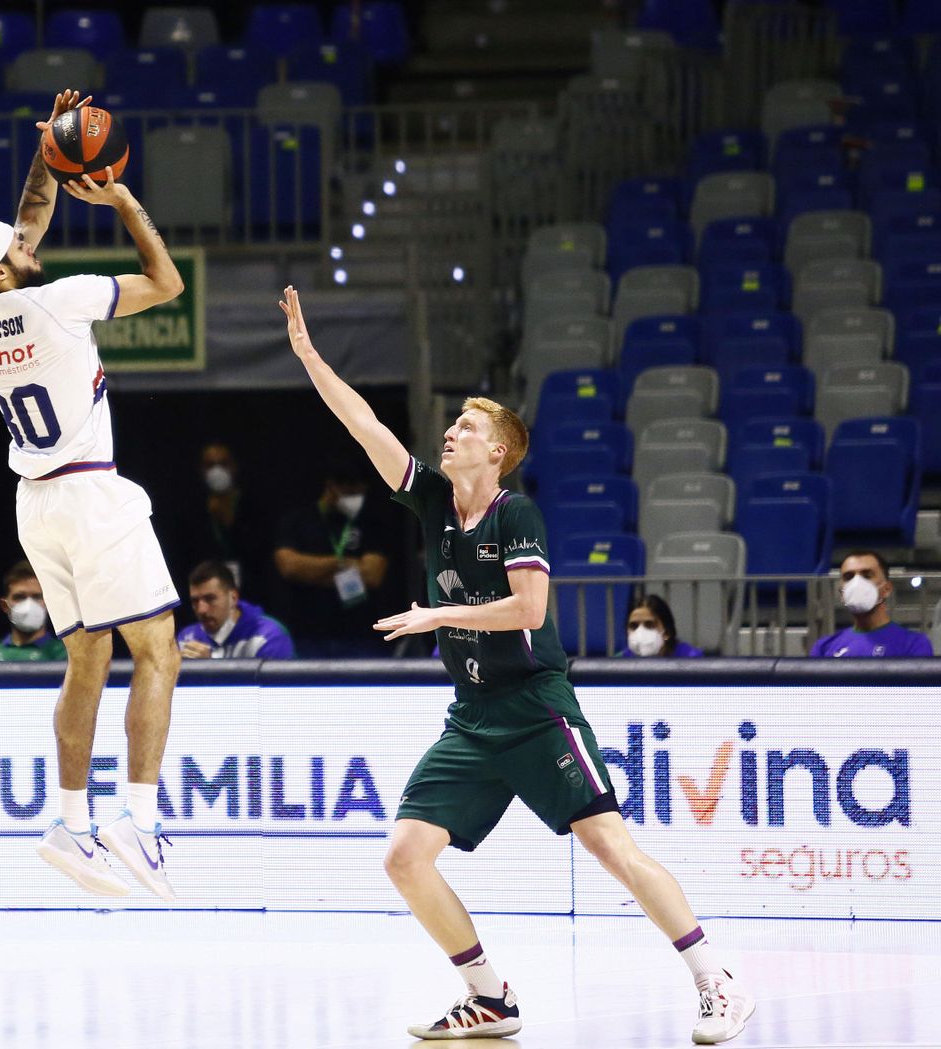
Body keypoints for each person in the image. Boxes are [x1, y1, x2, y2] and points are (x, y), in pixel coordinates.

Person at [280, 286, 753, 1044]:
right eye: (451, 424)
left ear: (496, 449)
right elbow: (363, 425)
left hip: (536, 707)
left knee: (612, 849)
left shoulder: (516, 513)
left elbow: (529, 611)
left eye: (465, 427)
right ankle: (488, 995)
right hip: (472, 718)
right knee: (404, 856)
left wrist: (440, 614)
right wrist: (309, 357)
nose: (449, 433)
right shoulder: (433, 500)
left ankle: (714, 980)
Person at [0, 88, 185, 901]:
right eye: (16, 246)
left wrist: (50, 149)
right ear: (4, 268)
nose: (28, 242)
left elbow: (25, 223)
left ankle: (69, 821)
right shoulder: (59, 299)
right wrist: (120, 198)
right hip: (90, 495)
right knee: (159, 651)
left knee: (86, 658)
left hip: (35, 503)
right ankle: (139, 822)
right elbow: (167, 282)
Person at [271, 456, 402, 658]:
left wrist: (313, 572)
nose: (355, 497)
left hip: (359, 634)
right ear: (331, 487)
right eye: (350, 491)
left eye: (359, 492)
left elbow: (373, 575)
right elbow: (290, 567)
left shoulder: (370, 524)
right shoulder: (299, 521)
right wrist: (343, 563)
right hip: (308, 631)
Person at [167, 442, 274, 600]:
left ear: (234, 466)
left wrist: (229, 522)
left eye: (223, 464)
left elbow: (261, 555)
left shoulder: (255, 507)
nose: (217, 471)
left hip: (250, 595)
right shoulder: (190, 512)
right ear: (201, 470)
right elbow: (183, 561)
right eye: (210, 465)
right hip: (206, 599)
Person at [809, 550, 934, 658]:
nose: (857, 582)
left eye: (867, 575)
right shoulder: (824, 648)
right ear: (842, 593)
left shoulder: (913, 644)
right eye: (849, 577)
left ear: (887, 589)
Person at [177, 560, 295, 660]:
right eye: (195, 601)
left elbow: (277, 686)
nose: (201, 610)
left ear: (233, 598)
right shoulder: (186, 638)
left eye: (210, 599)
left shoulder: (269, 636)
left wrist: (209, 668)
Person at [0, 560, 68, 662]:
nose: (29, 605)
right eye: (19, 597)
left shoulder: (66, 654)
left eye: (37, 597)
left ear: (49, 603)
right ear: (5, 606)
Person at [620, 595, 704, 658]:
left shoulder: (691, 658)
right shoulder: (621, 661)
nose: (640, 632)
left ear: (666, 632)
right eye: (634, 626)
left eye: (649, 625)